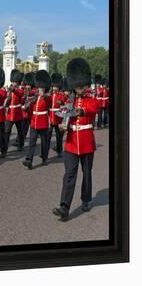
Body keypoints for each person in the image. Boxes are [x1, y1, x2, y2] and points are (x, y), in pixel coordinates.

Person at [53, 57, 100, 221]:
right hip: (71, 142)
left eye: (82, 85)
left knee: (86, 173)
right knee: (69, 174)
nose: (79, 88)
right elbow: (64, 117)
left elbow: (94, 108)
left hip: (86, 142)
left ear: (86, 84)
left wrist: (80, 111)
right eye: (77, 85)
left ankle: (86, 199)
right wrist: (62, 126)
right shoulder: (69, 100)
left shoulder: (91, 100)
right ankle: (64, 207)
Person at [22, 70, 52, 169]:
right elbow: (30, 105)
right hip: (34, 122)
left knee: (44, 142)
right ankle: (29, 160)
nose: (40, 90)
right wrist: (27, 106)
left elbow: (49, 101)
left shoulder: (47, 97)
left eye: (42, 88)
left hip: (43, 122)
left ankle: (44, 158)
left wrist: (44, 95)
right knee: (32, 141)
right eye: (39, 88)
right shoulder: (35, 96)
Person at [4, 69, 25, 151]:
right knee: (7, 131)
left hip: (18, 113)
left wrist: (13, 90)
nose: (13, 83)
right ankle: (5, 147)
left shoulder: (20, 89)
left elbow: (20, 94)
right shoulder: (9, 90)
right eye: (12, 82)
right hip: (10, 113)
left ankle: (21, 144)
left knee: (20, 130)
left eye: (15, 82)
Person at [47, 73, 67, 157]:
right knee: (48, 136)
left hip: (58, 117)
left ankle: (59, 150)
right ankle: (45, 152)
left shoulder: (61, 95)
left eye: (55, 87)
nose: (54, 88)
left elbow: (63, 101)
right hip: (50, 117)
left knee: (59, 136)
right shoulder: (50, 95)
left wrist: (61, 102)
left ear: (58, 87)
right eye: (53, 86)